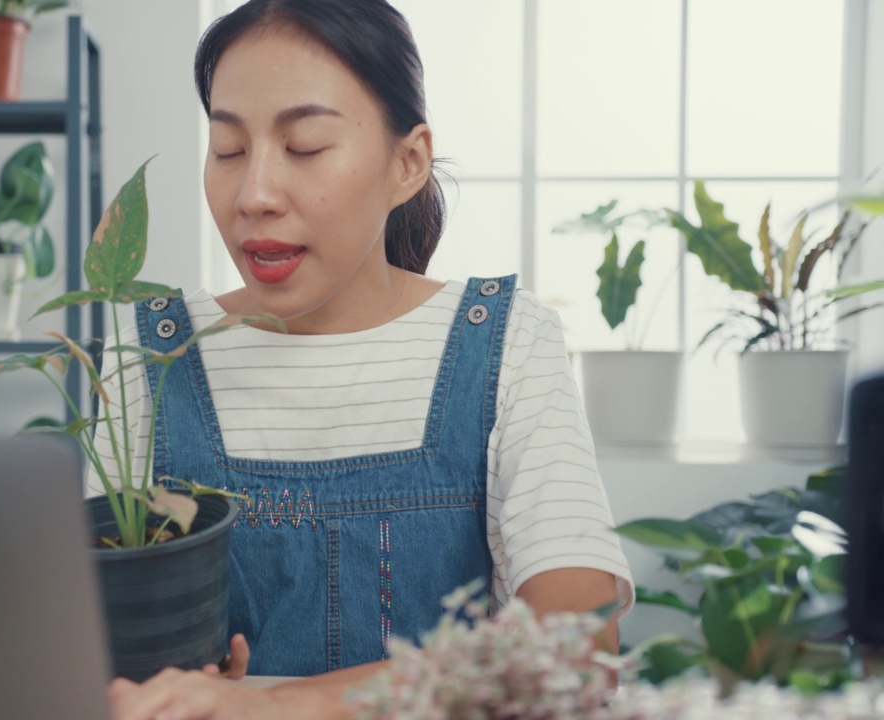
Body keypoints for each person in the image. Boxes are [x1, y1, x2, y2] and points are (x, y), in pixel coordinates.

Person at [93, 0, 634, 717]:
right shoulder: (148, 351)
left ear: (407, 162)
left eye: (307, 145)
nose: (253, 194)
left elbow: (578, 644)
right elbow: (99, 653)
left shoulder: (505, 341)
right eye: (228, 150)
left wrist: (285, 705)